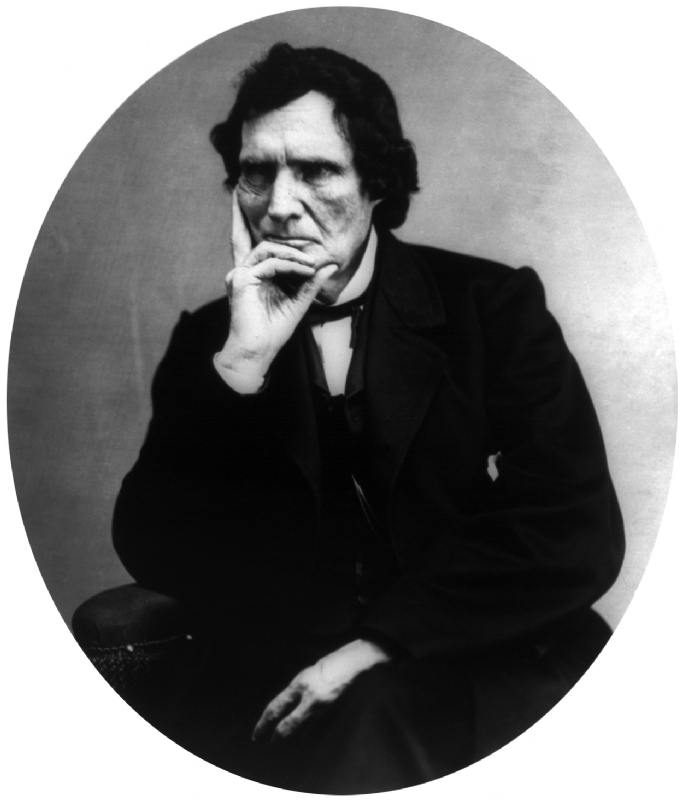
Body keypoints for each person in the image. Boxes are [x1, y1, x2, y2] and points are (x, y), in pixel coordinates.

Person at [111, 42, 625, 793]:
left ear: (377, 181)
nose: (279, 204)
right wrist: (243, 368)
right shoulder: (213, 343)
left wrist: (378, 645)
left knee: (376, 728)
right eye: (257, 172)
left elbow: (573, 523)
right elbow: (151, 542)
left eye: (316, 170)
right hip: (277, 667)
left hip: (465, 652)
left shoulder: (489, 306)